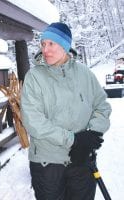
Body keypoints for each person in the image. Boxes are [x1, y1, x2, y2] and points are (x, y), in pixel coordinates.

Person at [20, 22, 112, 200]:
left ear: (65, 45)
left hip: (82, 160)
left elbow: (102, 107)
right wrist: (73, 140)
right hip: (48, 165)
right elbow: (34, 122)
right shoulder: (34, 77)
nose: (45, 49)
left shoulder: (85, 74)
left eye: (51, 44)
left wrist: (91, 134)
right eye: (43, 44)